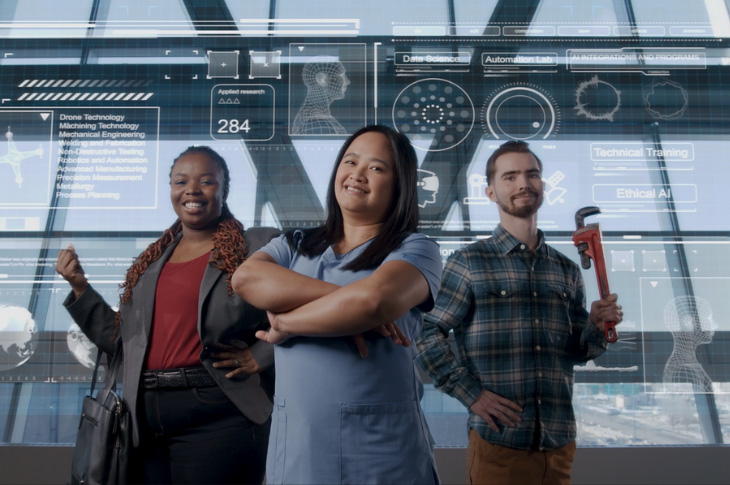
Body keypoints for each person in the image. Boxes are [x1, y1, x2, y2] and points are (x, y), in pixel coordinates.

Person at [55, 146, 279, 484]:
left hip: (219, 411)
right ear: (172, 190)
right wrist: (79, 287)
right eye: (181, 181)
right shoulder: (152, 262)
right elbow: (120, 341)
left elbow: (306, 303)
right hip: (144, 419)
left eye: (206, 181)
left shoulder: (257, 245)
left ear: (224, 189)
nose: (192, 189)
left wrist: (261, 355)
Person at [232, 125, 442, 484]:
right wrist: (344, 306)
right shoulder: (295, 244)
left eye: (376, 168)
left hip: (381, 452)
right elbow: (245, 280)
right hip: (299, 449)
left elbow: (373, 300)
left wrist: (285, 323)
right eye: (351, 161)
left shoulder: (416, 250)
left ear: (400, 185)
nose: (357, 174)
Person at [415, 140, 624, 485]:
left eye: (532, 175)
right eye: (510, 177)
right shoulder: (469, 262)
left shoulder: (566, 269)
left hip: (558, 443)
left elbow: (577, 351)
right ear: (491, 192)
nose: (524, 184)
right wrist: (473, 395)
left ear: (543, 185)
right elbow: (426, 331)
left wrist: (596, 326)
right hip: (500, 443)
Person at [291, 57, 350, 135]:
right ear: (322, 80)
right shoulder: (317, 122)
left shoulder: (313, 117)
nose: (347, 81)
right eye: (341, 75)